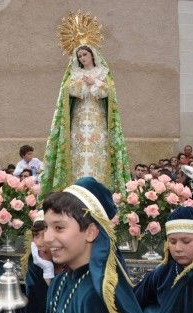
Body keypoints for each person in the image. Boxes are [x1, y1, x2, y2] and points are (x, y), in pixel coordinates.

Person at [42, 177, 148, 313]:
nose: (47, 238)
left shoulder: (95, 297)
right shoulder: (59, 282)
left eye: (59, 228)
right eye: (46, 227)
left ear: (90, 232)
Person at [40, 44, 131, 199]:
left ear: (92, 55)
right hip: (79, 121)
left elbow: (107, 93)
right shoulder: (74, 73)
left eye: (85, 54)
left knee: (98, 153)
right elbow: (68, 92)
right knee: (78, 152)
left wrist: (94, 82)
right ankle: (77, 192)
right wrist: (82, 83)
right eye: (80, 56)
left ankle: (99, 192)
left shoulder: (103, 73)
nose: (82, 58)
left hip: (98, 120)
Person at [133, 207, 193, 313]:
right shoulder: (163, 272)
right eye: (172, 242)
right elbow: (133, 299)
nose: (178, 248)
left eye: (186, 241)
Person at [17, 210, 66, 313]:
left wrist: (49, 275)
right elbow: (34, 304)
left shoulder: (70, 259)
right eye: (36, 235)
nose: (38, 242)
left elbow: (65, 304)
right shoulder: (35, 260)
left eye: (44, 235)